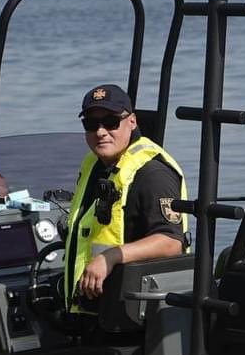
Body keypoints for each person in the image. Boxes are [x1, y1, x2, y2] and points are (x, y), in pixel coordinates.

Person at [65, 84, 188, 314]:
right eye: (91, 124)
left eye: (111, 122)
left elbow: (171, 242)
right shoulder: (95, 165)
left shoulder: (152, 174)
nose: (101, 132)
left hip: (134, 315)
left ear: (131, 121)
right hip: (95, 310)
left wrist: (109, 257)